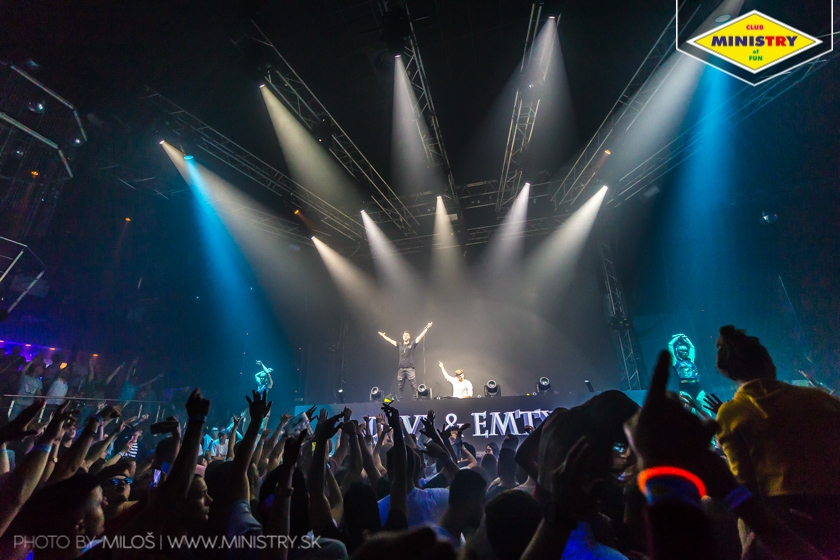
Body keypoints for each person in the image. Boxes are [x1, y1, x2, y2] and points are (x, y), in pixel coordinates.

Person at [713, 324, 840, 557]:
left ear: (730, 374)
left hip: (783, 523)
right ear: (768, 363)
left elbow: (745, 485)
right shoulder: (819, 399)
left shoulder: (732, 413)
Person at [378, 322, 433, 401]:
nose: (405, 336)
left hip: (410, 368)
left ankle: (416, 399)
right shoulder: (400, 345)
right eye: (404, 335)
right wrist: (384, 336)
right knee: (400, 386)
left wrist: (427, 328)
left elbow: (420, 336)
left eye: (407, 335)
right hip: (401, 368)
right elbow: (390, 341)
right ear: (403, 337)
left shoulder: (412, 344)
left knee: (413, 385)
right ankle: (400, 400)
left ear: (409, 337)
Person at [668, 333, 700, 399]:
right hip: (684, 386)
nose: (684, 352)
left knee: (703, 402)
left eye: (686, 351)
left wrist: (685, 338)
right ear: (678, 351)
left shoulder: (690, 360)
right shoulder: (676, 362)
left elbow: (692, 347)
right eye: (682, 351)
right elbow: (670, 344)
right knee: (686, 404)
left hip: (695, 384)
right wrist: (678, 336)